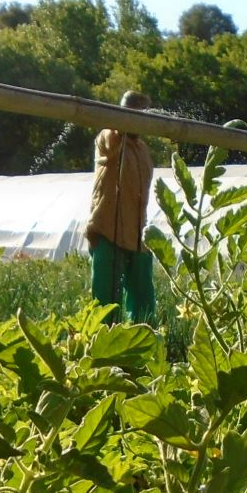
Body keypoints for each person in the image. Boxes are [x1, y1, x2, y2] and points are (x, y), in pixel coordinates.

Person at [86, 90, 156, 323]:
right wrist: (120, 123)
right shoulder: (109, 137)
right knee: (105, 299)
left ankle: (141, 338)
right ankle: (102, 342)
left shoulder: (142, 149)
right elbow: (111, 139)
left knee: (143, 294)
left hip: (137, 232)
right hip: (108, 227)